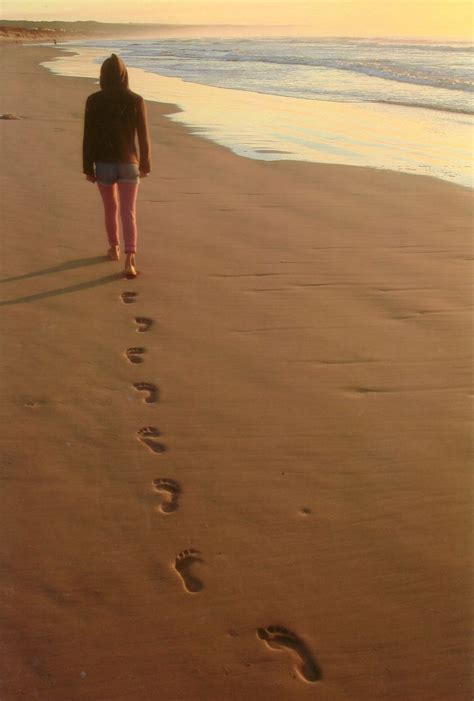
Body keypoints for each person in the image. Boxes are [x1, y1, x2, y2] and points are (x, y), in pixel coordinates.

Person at [82, 54, 151, 278]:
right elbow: (143, 137)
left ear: (103, 75)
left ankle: (114, 248)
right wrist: (145, 165)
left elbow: (88, 137)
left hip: (103, 164)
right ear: (124, 75)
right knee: (128, 211)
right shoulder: (136, 100)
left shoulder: (93, 100)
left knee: (110, 208)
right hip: (129, 163)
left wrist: (87, 168)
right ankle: (130, 259)